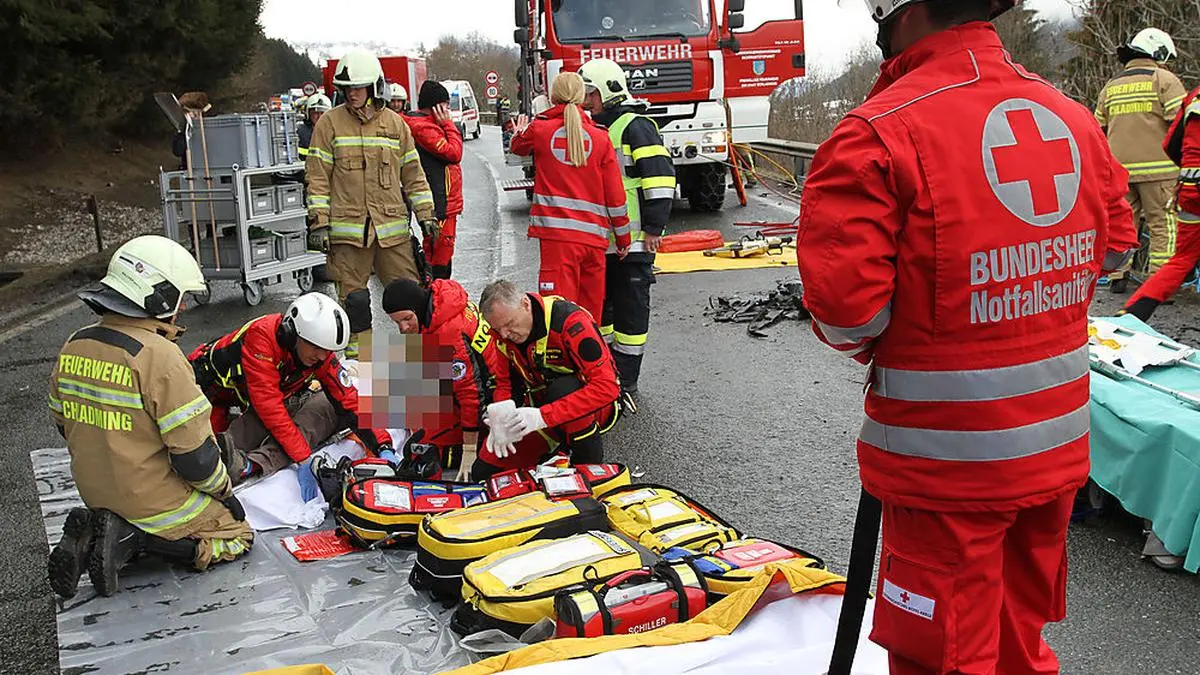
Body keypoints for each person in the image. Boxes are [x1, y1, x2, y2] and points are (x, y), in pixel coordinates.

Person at [795, 1, 1139, 673]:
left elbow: (848, 316)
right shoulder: (1071, 117)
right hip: (1056, 451)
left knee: (945, 657)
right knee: (1020, 643)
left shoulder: (876, 133)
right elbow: (1115, 249)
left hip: (944, 470)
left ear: (901, 14)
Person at [46, 236, 252, 599]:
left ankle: (100, 531)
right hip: (149, 501)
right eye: (179, 297)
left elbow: (63, 423)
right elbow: (195, 460)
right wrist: (224, 491)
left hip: (94, 490)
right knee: (237, 535)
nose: (182, 307)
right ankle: (135, 539)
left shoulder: (74, 343)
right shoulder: (161, 356)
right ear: (158, 295)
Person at [188, 292, 393, 501]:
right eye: (317, 348)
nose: (322, 356)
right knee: (205, 455)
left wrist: (383, 445)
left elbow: (348, 398)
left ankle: (249, 466)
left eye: (327, 350)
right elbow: (271, 409)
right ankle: (231, 460)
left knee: (321, 410)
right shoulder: (262, 339)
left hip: (247, 396)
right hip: (206, 395)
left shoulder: (317, 353)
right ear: (292, 333)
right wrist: (303, 457)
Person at [305, 48, 439, 359]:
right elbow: (317, 176)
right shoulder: (329, 124)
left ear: (374, 87)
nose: (351, 94)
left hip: (392, 234)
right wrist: (319, 223)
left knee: (413, 301)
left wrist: (426, 215)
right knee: (355, 306)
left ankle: (419, 370)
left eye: (358, 87)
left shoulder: (395, 125)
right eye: (346, 88)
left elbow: (413, 174)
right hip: (348, 236)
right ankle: (364, 374)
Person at [579, 58, 676, 406]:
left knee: (631, 314)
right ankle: (606, 377)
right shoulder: (594, 127)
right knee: (603, 312)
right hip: (602, 242)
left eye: (590, 93)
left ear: (608, 91)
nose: (586, 100)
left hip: (633, 243)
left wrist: (653, 228)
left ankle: (627, 380)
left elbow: (660, 179)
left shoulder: (636, 127)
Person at [509, 71, 631, 321]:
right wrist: (623, 239)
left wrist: (519, 131)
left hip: (557, 241)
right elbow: (615, 196)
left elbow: (518, 147)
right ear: (582, 97)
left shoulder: (540, 129)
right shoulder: (601, 137)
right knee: (590, 318)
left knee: (557, 316)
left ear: (553, 97)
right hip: (594, 241)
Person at [477, 280, 621, 475]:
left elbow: (607, 387)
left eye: (509, 324)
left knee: (563, 388)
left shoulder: (570, 322)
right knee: (484, 470)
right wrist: (501, 417)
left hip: (585, 407)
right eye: (498, 329)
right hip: (538, 411)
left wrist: (543, 417)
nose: (504, 334)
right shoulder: (502, 335)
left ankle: (588, 466)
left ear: (525, 304)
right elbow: (505, 383)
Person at [381, 278, 514, 480]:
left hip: (489, 402)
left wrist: (469, 449)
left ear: (417, 308)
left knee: (417, 449)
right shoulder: (443, 300)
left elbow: (471, 396)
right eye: (397, 322)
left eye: (407, 319)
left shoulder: (449, 333)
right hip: (482, 384)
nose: (403, 328)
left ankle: (479, 446)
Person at [1094, 28, 1187, 293]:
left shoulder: (1111, 86)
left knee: (1125, 224)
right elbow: (1182, 125)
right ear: (1158, 52)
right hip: (1160, 171)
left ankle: (1117, 276)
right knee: (1163, 225)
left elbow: (1098, 128)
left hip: (1120, 172)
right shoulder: (1164, 80)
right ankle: (1161, 283)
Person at [1122, 85, 1200, 321]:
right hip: (1159, 178)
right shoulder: (1165, 82)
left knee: (1182, 258)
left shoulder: (1194, 96)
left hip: (1189, 188)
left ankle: (1131, 315)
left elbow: (1170, 144)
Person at [405, 81, 465, 280]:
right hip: (441, 202)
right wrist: (449, 124)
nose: (448, 110)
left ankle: (437, 290)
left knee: (439, 251)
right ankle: (437, 293)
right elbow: (454, 153)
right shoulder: (424, 128)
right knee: (440, 253)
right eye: (446, 105)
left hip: (444, 201)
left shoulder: (429, 125)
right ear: (437, 106)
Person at [298, 94, 332, 161]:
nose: (319, 117)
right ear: (308, 114)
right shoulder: (300, 133)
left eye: (322, 113)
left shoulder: (335, 132)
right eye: (315, 113)